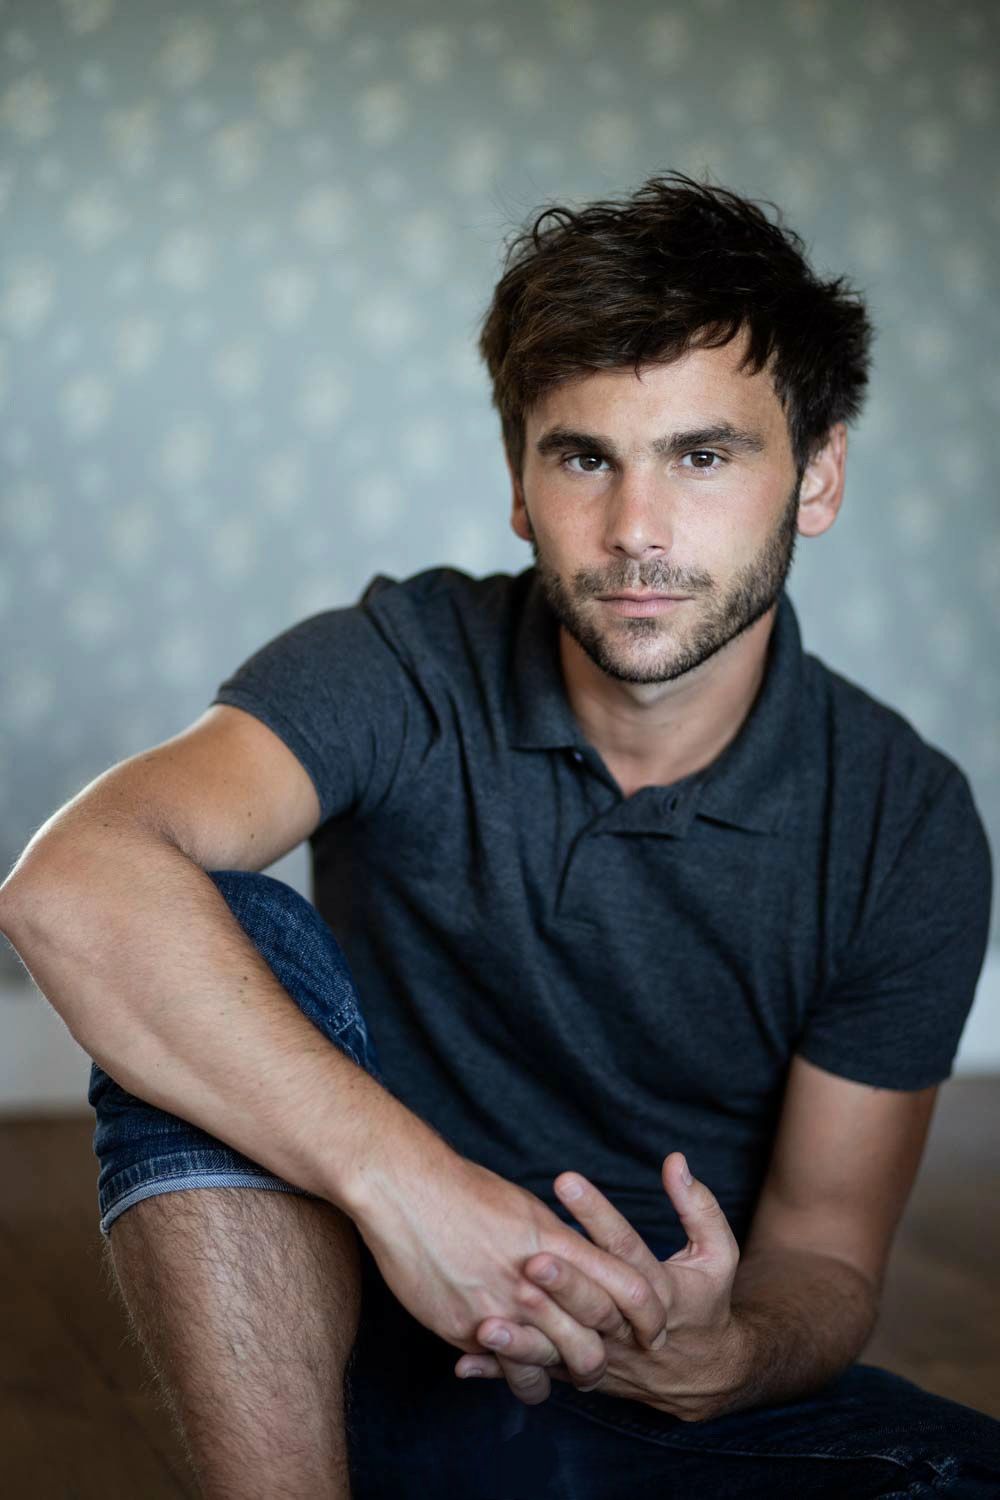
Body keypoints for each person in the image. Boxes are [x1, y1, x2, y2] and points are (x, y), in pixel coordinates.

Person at [0, 170, 996, 1499]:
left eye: (703, 457)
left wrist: (731, 1352)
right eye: (584, 458)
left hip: (642, 1394)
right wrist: (411, 1193)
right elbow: (71, 885)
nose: (636, 531)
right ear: (520, 487)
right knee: (212, 913)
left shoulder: (905, 821)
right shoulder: (402, 661)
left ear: (816, 476)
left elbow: (822, 1251)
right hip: (324, 1348)